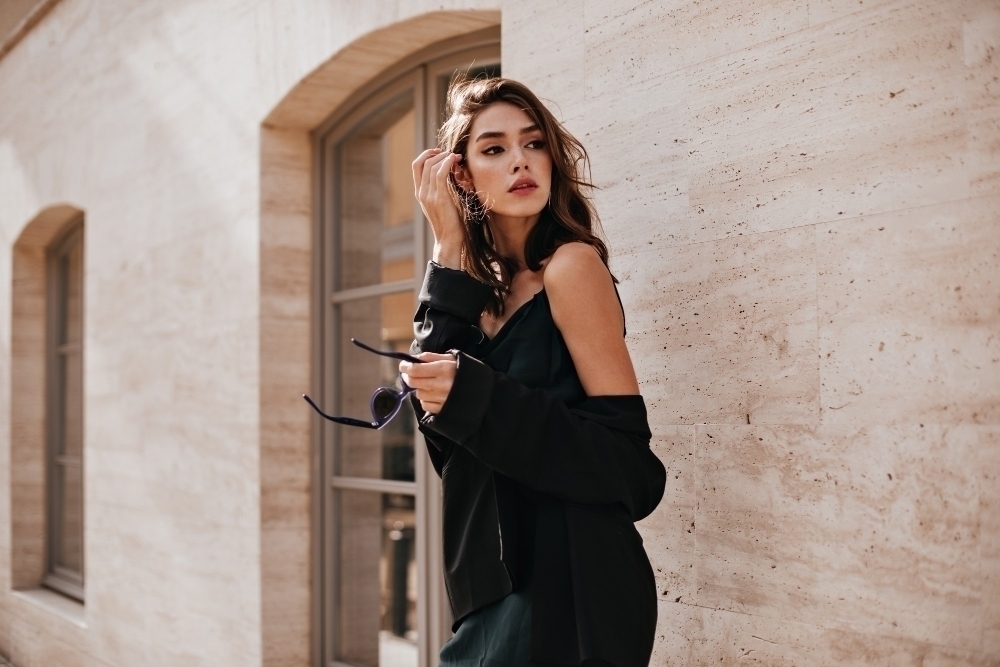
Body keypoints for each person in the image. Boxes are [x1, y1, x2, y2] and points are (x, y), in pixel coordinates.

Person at [399, 76, 666, 667]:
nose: (520, 161)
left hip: (573, 584)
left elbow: (634, 471)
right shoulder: (478, 290)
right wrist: (446, 246)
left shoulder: (572, 267)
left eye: (533, 143)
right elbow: (444, 442)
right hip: (490, 587)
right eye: (494, 149)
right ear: (462, 176)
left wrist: (480, 397)